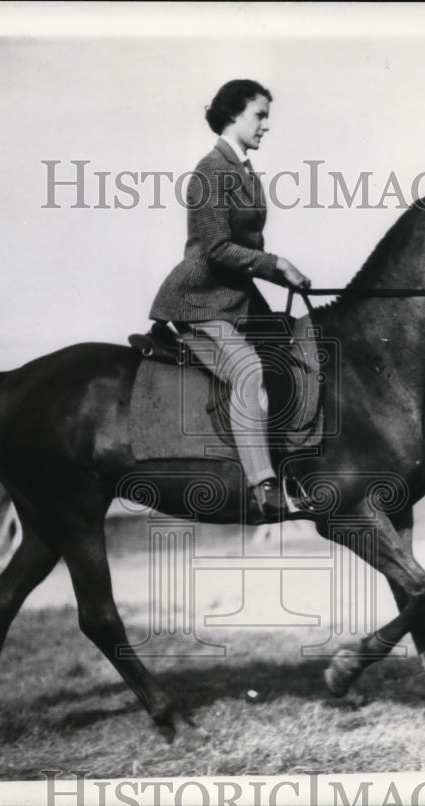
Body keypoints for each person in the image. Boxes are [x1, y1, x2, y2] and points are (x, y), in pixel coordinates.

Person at [148, 79, 311, 522]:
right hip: (201, 302)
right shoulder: (210, 170)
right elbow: (217, 249)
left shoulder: (242, 169)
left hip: (237, 299)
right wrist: (278, 265)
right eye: (260, 116)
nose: (266, 126)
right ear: (233, 115)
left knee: (298, 355)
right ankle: (264, 488)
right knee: (249, 371)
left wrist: (279, 275)